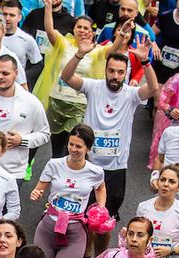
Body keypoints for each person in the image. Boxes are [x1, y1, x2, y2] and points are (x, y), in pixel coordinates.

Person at [59, 37, 158, 228]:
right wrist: (80, 54)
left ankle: (100, 255)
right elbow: (66, 77)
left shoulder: (131, 94)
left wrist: (145, 62)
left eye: (120, 72)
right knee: (81, 217)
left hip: (115, 168)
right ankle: (84, 254)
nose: (115, 75)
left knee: (106, 221)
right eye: (111, 71)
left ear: (126, 74)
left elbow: (153, 88)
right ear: (105, 70)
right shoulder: (93, 87)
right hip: (88, 164)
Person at [32, 7, 125, 157]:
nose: (82, 30)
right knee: (55, 145)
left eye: (86, 28)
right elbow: (49, 30)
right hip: (57, 101)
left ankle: (67, 174)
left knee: (71, 145)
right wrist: (48, 7)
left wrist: (121, 35)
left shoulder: (98, 51)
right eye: (79, 27)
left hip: (79, 105)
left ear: (92, 32)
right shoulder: (63, 44)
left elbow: (114, 48)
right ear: (73, 29)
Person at [29, 124, 107, 258]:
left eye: (79, 146)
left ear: (88, 148)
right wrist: (35, 194)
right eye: (71, 144)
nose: (74, 149)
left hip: (75, 233)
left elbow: (101, 188)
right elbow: (39, 188)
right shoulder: (54, 164)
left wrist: (101, 207)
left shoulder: (95, 172)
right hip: (48, 228)